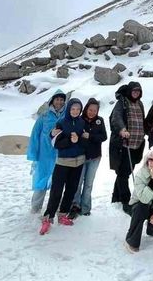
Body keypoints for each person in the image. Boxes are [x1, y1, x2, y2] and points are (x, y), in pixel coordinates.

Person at [40, 98, 86, 235]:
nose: (75, 111)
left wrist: (80, 139)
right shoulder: (61, 122)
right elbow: (55, 142)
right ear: (68, 109)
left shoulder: (81, 122)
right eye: (73, 109)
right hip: (63, 162)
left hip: (78, 162)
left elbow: (85, 143)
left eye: (78, 109)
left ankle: (63, 215)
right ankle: (48, 218)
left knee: (71, 190)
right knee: (56, 190)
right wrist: (70, 141)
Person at [124, 146, 153, 252]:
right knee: (141, 208)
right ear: (147, 161)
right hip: (139, 205)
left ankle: (152, 228)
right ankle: (131, 240)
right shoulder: (140, 175)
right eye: (151, 159)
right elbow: (144, 199)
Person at [110, 82, 147, 213]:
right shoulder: (123, 102)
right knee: (123, 171)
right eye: (134, 91)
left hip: (137, 144)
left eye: (138, 91)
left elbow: (142, 120)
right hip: (124, 143)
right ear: (130, 91)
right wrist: (122, 129)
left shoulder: (140, 103)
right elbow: (116, 117)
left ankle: (116, 196)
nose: (136, 93)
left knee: (124, 171)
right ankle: (126, 200)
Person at [27, 90, 67, 213]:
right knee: (41, 180)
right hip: (44, 155)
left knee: (59, 182)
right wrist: (34, 154)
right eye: (57, 99)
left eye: (61, 100)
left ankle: (57, 206)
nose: (59, 102)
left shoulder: (67, 116)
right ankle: (36, 207)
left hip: (60, 154)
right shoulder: (44, 116)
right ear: (52, 101)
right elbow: (35, 135)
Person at [71, 98, 106, 217]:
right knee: (78, 182)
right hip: (81, 156)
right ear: (86, 109)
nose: (92, 112)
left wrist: (90, 136)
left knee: (88, 183)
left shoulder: (100, 121)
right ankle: (75, 205)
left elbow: (104, 136)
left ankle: (85, 208)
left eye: (94, 110)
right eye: (90, 110)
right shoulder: (80, 120)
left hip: (95, 157)